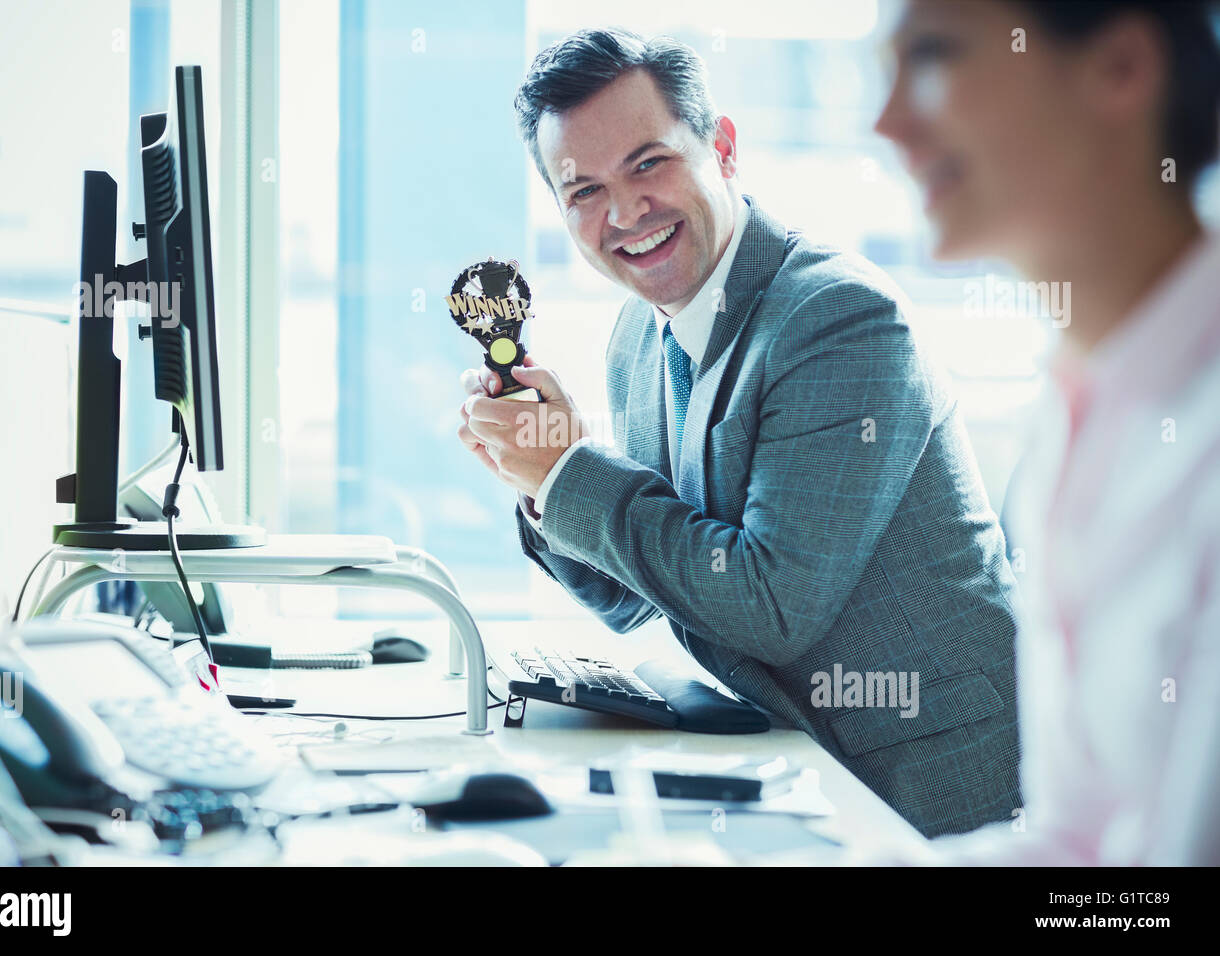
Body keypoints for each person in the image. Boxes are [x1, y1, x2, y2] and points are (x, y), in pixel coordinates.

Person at [458, 28, 1022, 838]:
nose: (623, 212)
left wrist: (569, 470)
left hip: (932, 786)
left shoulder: (837, 318)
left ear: (722, 148)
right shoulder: (636, 334)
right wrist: (539, 483)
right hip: (791, 761)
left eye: (649, 163)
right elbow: (637, 595)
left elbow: (768, 606)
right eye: (583, 191)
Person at [874, 0, 1220, 863]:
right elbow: (1083, 845)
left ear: (1121, 69)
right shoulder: (1085, 409)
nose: (886, 123)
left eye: (933, 56)